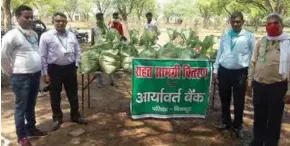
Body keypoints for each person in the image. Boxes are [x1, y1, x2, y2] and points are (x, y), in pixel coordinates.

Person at [1, 5, 48, 146]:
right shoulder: (12, 35)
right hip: (21, 77)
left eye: (31, 17)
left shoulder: (33, 33)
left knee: (31, 104)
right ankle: (21, 137)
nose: (29, 20)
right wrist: (9, 72)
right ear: (17, 18)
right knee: (21, 107)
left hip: (35, 75)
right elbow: (3, 56)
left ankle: (31, 129)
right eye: (26, 17)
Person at [39, 12, 88, 131]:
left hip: (70, 68)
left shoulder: (71, 35)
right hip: (54, 70)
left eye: (63, 21)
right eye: (58, 21)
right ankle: (57, 119)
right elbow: (42, 56)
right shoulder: (46, 36)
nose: (60, 23)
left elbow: (78, 51)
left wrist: (76, 64)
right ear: (53, 22)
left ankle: (75, 116)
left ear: (66, 22)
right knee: (55, 95)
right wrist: (45, 74)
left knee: (73, 94)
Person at [248, 13, 290, 146]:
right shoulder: (261, 41)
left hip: (277, 86)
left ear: (282, 25)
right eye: (269, 23)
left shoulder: (288, 42)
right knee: (259, 116)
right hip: (259, 85)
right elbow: (253, 62)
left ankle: (271, 143)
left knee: (274, 118)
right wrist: (250, 81)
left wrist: (289, 91)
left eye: (275, 23)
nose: (272, 26)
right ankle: (257, 141)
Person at [213, 12, 255, 139]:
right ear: (230, 22)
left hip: (240, 73)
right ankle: (225, 122)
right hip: (224, 71)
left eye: (238, 21)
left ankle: (238, 126)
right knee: (224, 98)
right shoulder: (225, 35)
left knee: (239, 101)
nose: (235, 24)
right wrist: (216, 69)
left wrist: (250, 76)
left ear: (242, 22)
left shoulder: (249, 36)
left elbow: (253, 56)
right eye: (233, 21)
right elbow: (220, 52)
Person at [91, 13, 114, 88]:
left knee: (108, 64)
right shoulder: (93, 28)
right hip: (97, 50)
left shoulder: (107, 28)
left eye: (101, 18)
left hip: (106, 49)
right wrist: (92, 49)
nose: (100, 20)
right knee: (98, 67)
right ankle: (99, 83)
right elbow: (92, 41)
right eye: (98, 18)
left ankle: (111, 81)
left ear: (103, 19)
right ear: (96, 19)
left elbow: (110, 39)